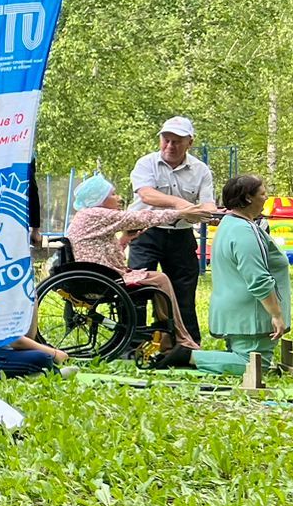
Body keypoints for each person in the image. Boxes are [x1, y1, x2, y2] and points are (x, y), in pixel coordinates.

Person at [152, 175, 289, 375]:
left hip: (234, 311)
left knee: (245, 358)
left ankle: (190, 357)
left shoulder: (229, 224)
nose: (266, 198)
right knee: (254, 366)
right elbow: (258, 278)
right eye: (263, 194)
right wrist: (276, 314)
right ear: (249, 198)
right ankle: (186, 355)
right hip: (250, 314)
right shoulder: (245, 231)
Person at [63, 174, 206, 350]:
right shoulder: (95, 213)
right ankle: (178, 337)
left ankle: (172, 337)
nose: (119, 198)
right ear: (99, 198)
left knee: (158, 279)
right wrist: (180, 213)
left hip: (98, 274)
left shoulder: (86, 216)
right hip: (102, 278)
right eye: (113, 194)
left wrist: (124, 240)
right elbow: (141, 217)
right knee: (160, 279)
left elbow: (99, 250)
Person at [127, 117, 218, 343]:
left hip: (181, 236)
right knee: (137, 287)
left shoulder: (201, 170)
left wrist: (214, 215)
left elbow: (208, 204)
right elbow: (147, 194)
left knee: (183, 293)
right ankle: (133, 344)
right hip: (144, 231)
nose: (170, 146)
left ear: (190, 142)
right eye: (166, 140)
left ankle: (186, 344)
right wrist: (181, 205)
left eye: (177, 141)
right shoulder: (145, 163)